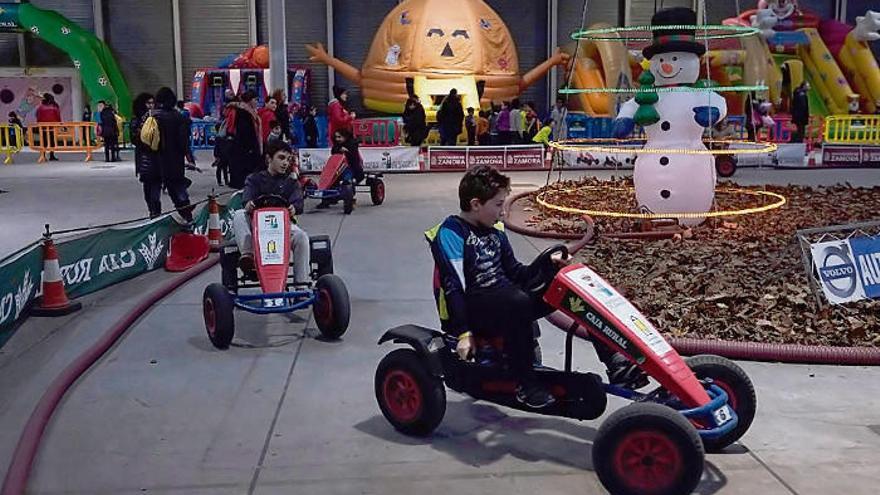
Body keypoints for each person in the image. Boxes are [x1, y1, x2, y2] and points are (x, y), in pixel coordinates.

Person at [429, 165, 645, 409]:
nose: (502, 213)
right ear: (476, 203)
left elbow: (516, 272)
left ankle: (617, 363)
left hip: (507, 300)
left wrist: (548, 266)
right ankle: (525, 384)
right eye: (498, 205)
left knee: (573, 287)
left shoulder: (495, 231)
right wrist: (463, 333)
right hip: (475, 308)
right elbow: (453, 286)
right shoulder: (451, 233)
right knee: (517, 301)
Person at [232, 140, 311, 286]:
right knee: (238, 215)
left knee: (302, 237)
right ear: (269, 159)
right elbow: (247, 201)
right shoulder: (254, 179)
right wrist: (250, 205)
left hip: (283, 227)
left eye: (288, 160)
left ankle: (302, 285)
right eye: (281, 158)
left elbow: (298, 204)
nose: (285, 163)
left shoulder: (291, 183)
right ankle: (248, 256)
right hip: (257, 227)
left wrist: (293, 208)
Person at [152, 87, 194, 222]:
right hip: (175, 159)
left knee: (156, 189)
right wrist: (190, 158)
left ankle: (154, 217)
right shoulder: (179, 118)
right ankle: (186, 210)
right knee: (177, 185)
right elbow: (184, 142)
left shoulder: (154, 117)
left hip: (156, 158)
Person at [227, 90, 262, 188]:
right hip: (245, 148)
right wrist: (251, 147)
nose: (257, 102)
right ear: (250, 100)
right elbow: (244, 131)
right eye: (255, 99)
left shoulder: (248, 111)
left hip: (245, 148)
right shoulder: (244, 112)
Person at [36, 93, 61, 161]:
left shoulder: (40, 107)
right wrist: (59, 124)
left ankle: (43, 155)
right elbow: (58, 117)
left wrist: (39, 124)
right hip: (52, 127)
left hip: (43, 127)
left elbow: (38, 117)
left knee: (44, 141)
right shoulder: (55, 107)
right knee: (52, 141)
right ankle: (51, 155)